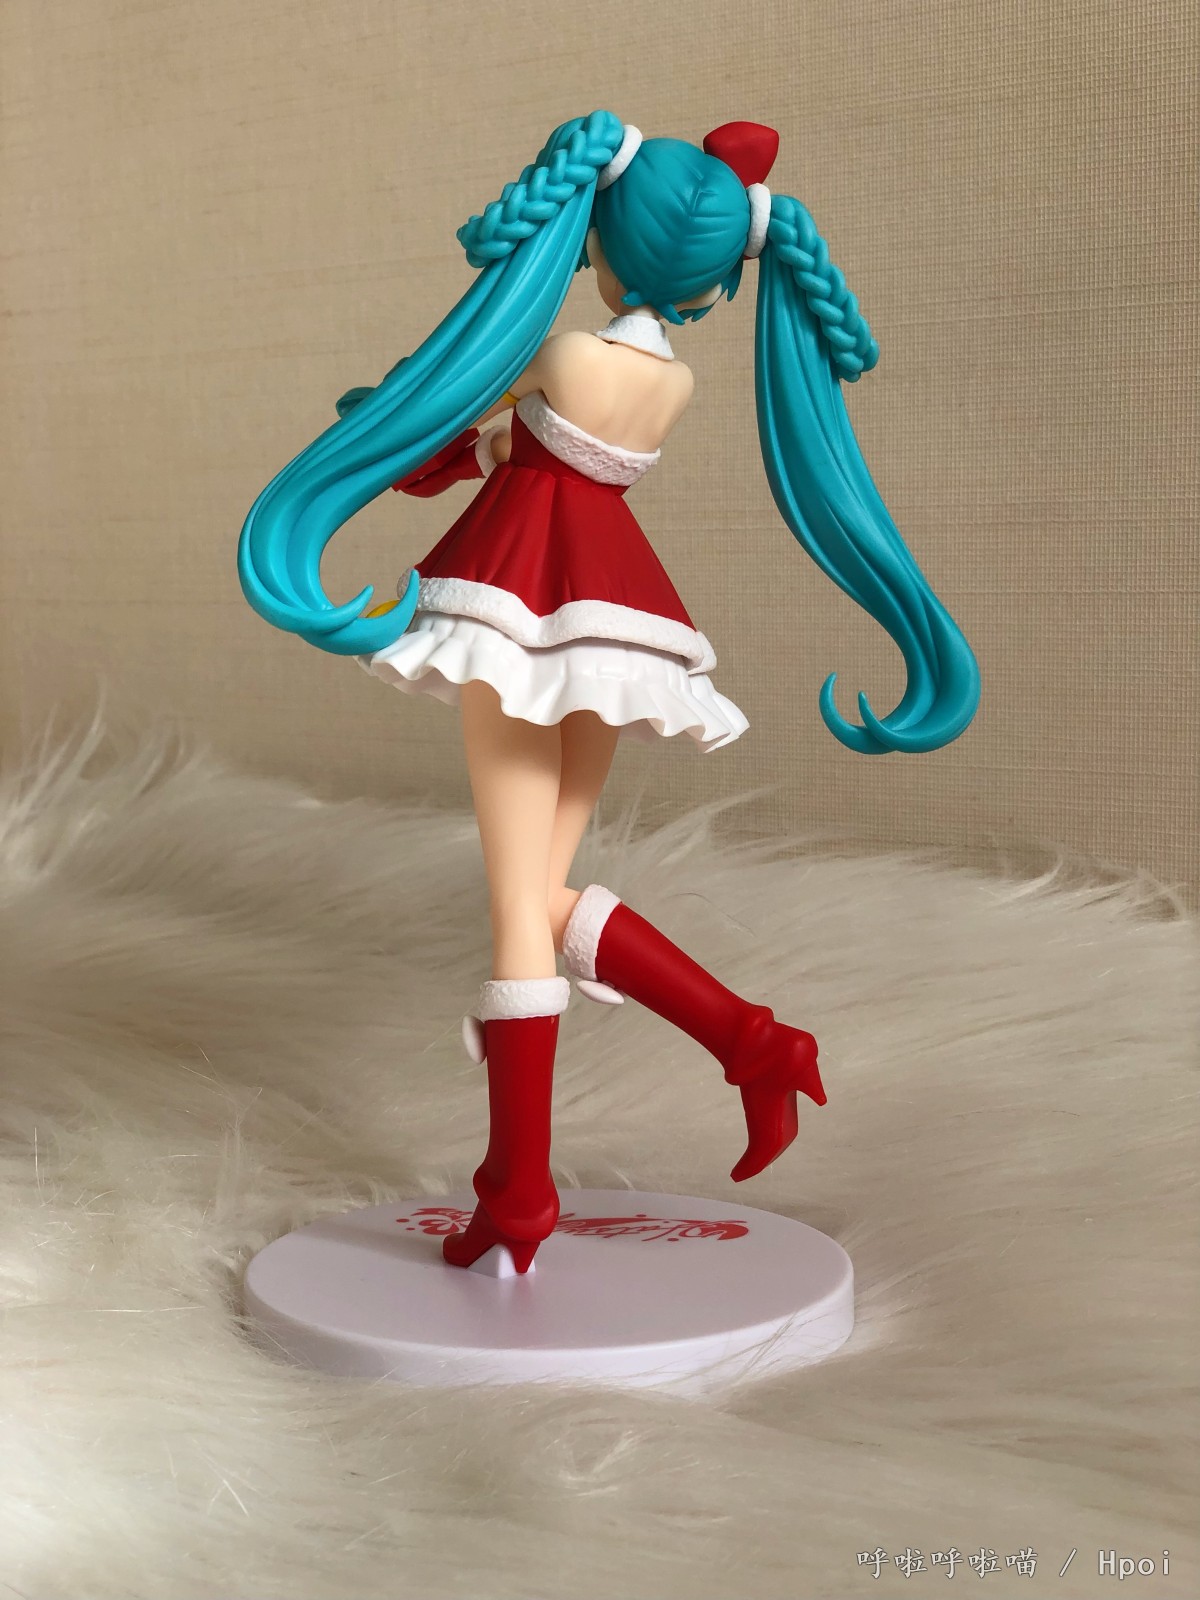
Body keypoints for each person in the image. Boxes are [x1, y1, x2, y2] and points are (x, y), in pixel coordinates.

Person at [239, 112, 979, 1276]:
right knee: (539, 895)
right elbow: (532, 448)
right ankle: (752, 1043)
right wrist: (473, 444)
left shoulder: (563, 351)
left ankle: (521, 1191)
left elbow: (469, 424)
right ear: (715, 284)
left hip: (520, 606)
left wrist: (394, 433)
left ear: (601, 245)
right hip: (619, 618)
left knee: (517, 907)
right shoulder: (671, 383)